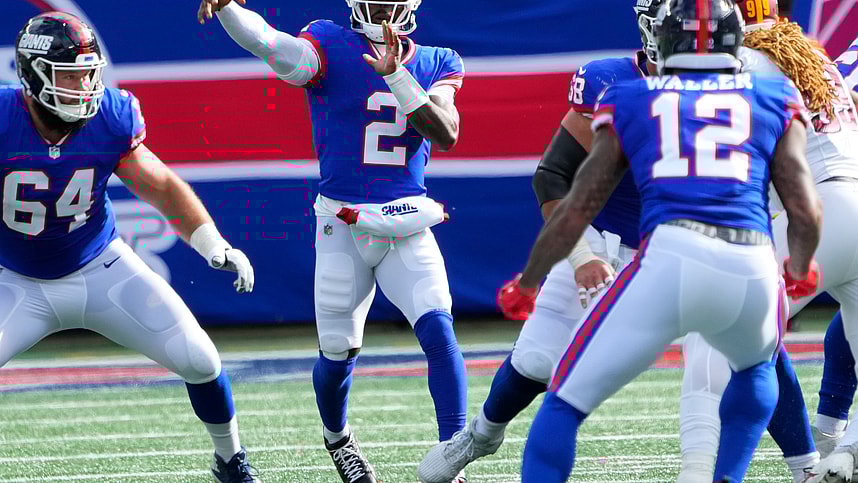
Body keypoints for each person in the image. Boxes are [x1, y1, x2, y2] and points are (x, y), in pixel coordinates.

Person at [501, 0, 824, 480]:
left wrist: (529, 281)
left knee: (565, 403)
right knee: (757, 368)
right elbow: (804, 206)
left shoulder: (629, 97)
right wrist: (799, 268)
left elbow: (577, 206)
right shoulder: (774, 93)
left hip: (670, 257)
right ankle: (729, 475)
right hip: (751, 261)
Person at [199, 1, 467, 482]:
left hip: (406, 221)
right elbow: (271, 45)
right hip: (343, 223)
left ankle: (454, 453)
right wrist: (230, 10)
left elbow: (445, 133)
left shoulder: (438, 59)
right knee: (338, 350)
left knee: (440, 333)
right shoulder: (329, 42)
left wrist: (398, 77)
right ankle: (338, 437)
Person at [1, 11, 258, 483]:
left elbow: (159, 186)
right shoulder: (3, 119)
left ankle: (231, 460)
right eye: (71, 76)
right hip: (15, 278)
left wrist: (210, 241)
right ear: (34, 75)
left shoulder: (110, 117)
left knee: (201, 359)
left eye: (88, 74)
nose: (84, 87)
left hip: (100, 265)